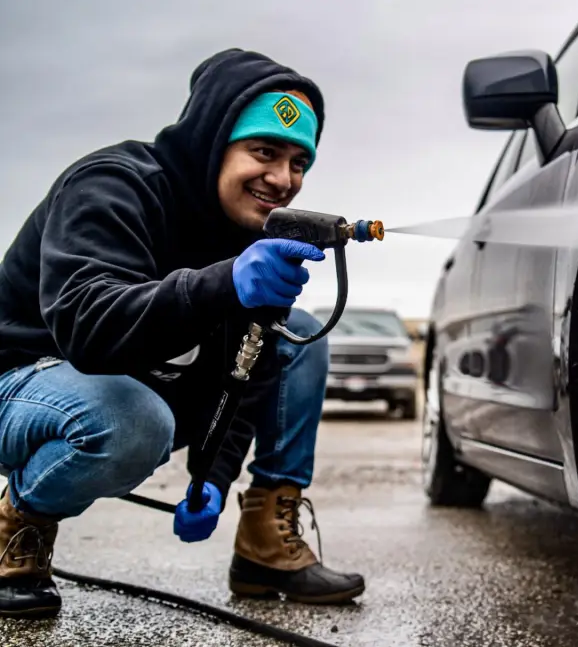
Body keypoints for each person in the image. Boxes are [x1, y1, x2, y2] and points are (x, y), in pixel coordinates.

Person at [0, 48, 365, 618]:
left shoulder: (243, 231)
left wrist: (213, 476)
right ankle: (20, 524)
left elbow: (252, 370)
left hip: (132, 388)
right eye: (265, 152)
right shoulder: (112, 187)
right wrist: (224, 284)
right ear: (213, 140)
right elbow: (88, 329)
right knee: (131, 419)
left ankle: (265, 542)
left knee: (298, 337)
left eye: (299, 163)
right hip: (23, 384)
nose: (283, 179)